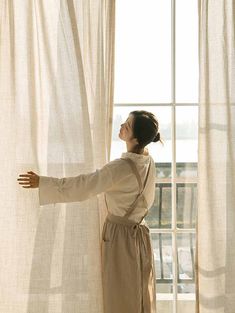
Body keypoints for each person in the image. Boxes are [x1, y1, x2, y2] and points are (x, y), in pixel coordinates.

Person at [17, 110, 163, 313]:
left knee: (119, 295)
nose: (122, 126)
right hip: (140, 235)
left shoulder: (120, 168)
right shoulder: (149, 162)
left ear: (136, 138)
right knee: (137, 293)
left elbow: (84, 186)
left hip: (121, 236)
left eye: (127, 126)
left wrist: (44, 183)